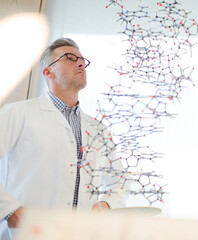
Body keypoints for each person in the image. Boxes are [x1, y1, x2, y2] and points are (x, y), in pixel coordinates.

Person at [0, 38, 128, 239]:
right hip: (28, 232)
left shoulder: (98, 130)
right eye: (70, 58)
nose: (80, 63)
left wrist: (106, 205)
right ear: (48, 72)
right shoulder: (17, 114)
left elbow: (120, 181)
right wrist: (8, 209)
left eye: (82, 60)